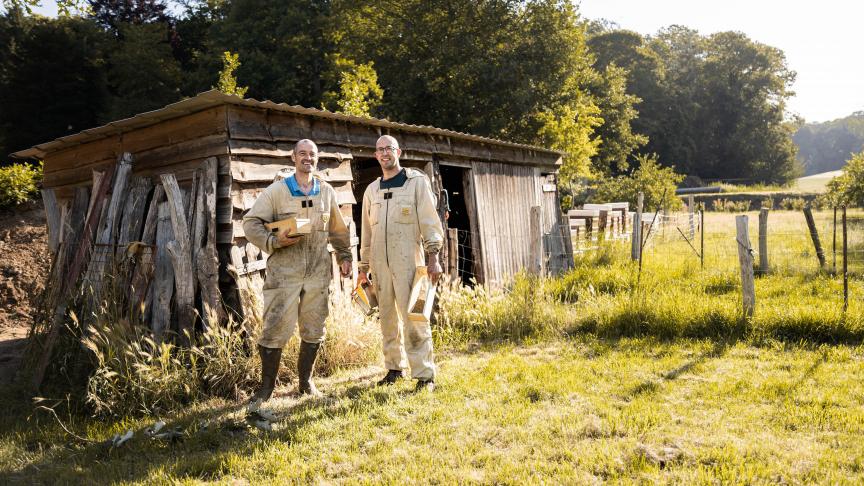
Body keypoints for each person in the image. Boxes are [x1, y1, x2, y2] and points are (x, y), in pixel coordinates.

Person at [243, 139, 352, 412]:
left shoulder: (326, 192)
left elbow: (338, 230)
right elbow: (250, 223)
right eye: (302, 153)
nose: (307, 158)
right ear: (293, 157)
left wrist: (345, 256)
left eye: (312, 154)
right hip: (285, 273)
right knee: (274, 327)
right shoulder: (278, 191)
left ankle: (306, 383)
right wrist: (273, 242)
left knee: (315, 327)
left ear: (316, 159)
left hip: (317, 272)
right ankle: (266, 388)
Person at [359, 135, 444, 391]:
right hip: (380, 266)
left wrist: (434, 257)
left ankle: (424, 375)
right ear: (376, 155)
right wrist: (363, 269)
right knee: (386, 320)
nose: (385, 153)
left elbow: (430, 222)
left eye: (389, 148)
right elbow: (366, 233)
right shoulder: (371, 191)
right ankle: (394, 369)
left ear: (399, 152)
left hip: (411, 263)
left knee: (415, 318)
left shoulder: (416, 183)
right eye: (380, 149)